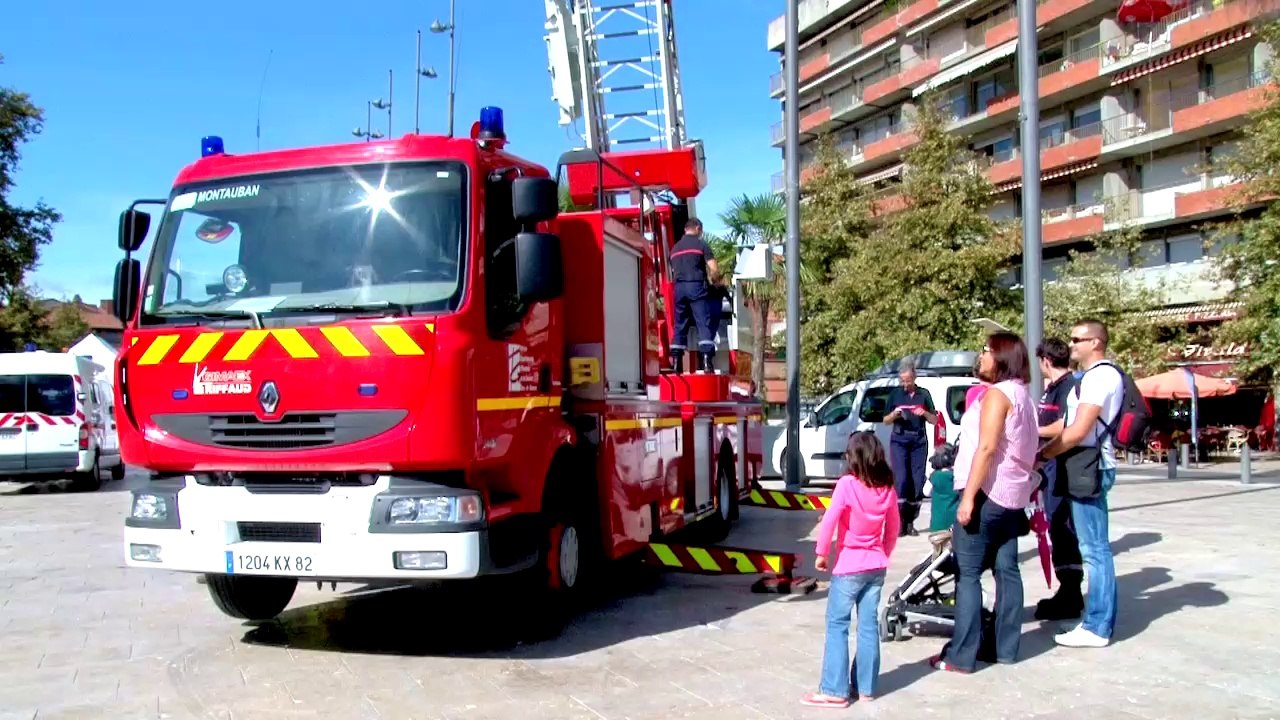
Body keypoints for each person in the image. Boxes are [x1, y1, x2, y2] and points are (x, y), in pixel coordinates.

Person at [931, 332, 1039, 674]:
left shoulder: (998, 395)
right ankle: (1004, 648)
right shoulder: (1023, 396)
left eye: (987, 351)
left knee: (968, 575)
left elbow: (988, 448)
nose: (981, 356)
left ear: (1002, 358)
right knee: (1007, 570)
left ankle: (961, 656)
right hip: (1013, 497)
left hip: (987, 494)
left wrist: (968, 498)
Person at [1039, 319, 1122, 649]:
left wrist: (1043, 455)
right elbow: (1066, 423)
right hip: (1083, 463)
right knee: (1092, 547)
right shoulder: (1087, 378)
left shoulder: (1101, 377)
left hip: (1091, 464)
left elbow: (1077, 431)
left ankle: (1097, 626)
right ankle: (1095, 620)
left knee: (1095, 549)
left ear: (1096, 343)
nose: (1071, 345)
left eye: (1077, 339)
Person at [804, 431, 900, 708]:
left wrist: (821, 553)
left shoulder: (847, 484)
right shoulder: (887, 488)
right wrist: (883, 552)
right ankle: (866, 687)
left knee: (838, 625)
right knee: (868, 626)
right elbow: (893, 527)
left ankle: (835, 690)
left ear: (854, 458)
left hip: (849, 566)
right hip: (875, 566)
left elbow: (830, 520)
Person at [1034, 338, 1084, 621]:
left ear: (1046, 360)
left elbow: (1066, 425)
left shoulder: (1069, 387)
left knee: (1063, 527)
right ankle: (1067, 591)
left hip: (1061, 467)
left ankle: (1071, 593)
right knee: (1055, 527)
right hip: (1050, 467)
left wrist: (1035, 430)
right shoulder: (1053, 388)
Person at [883, 362, 939, 536]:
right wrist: (894, 415)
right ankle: (900, 521)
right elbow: (885, 420)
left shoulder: (924, 394)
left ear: (914, 378)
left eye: (908, 380)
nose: (905, 384)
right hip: (899, 440)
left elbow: (935, 420)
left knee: (917, 481)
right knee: (901, 481)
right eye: (902, 381)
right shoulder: (895, 394)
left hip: (918, 442)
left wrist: (925, 413)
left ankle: (910, 522)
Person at [668, 218, 719, 374]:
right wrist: (716, 282)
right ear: (697, 228)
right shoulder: (701, 245)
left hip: (679, 289)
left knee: (680, 324)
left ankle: (676, 362)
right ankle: (706, 361)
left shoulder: (674, 249)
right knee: (703, 322)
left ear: (685, 230)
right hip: (696, 286)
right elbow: (714, 268)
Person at [928, 442, 960, 535]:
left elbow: (925, 492)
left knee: (939, 542)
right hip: (953, 526)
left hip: (936, 526)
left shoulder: (934, 476)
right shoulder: (956, 476)